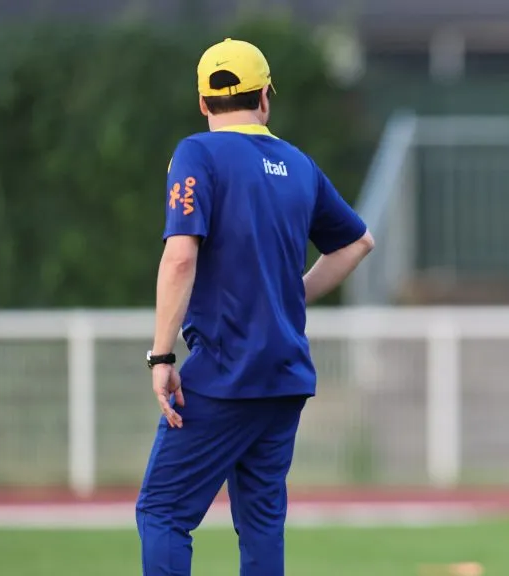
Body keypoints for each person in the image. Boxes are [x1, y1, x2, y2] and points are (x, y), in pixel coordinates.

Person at [136, 38, 375, 575]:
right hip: (284, 376)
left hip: (225, 371)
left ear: (203, 102)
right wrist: (290, 293)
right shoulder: (299, 164)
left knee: (163, 513)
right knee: (261, 523)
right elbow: (358, 242)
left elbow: (180, 257)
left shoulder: (197, 153)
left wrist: (162, 357)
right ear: (266, 96)